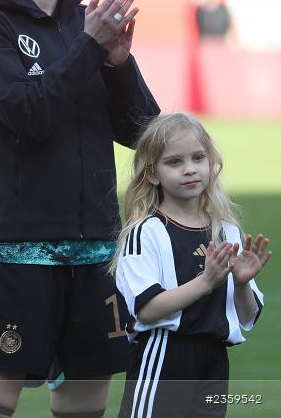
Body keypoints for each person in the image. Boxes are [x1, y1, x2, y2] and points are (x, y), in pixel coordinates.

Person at [0, 0, 160, 418]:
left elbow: (144, 133)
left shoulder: (85, 19)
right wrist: (89, 46)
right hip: (20, 240)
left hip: (96, 240)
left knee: (84, 402)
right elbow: (29, 116)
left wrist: (116, 60)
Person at [112, 112, 269, 418]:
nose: (190, 170)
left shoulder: (226, 230)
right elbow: (146, 308)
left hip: (213, 359)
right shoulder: (146, 232)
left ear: (211, 164)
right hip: (165, 353)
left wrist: (241, 284)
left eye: (198, 158)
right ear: (153, 173)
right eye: (174, 162)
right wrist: (205, 281)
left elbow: (247, 315)